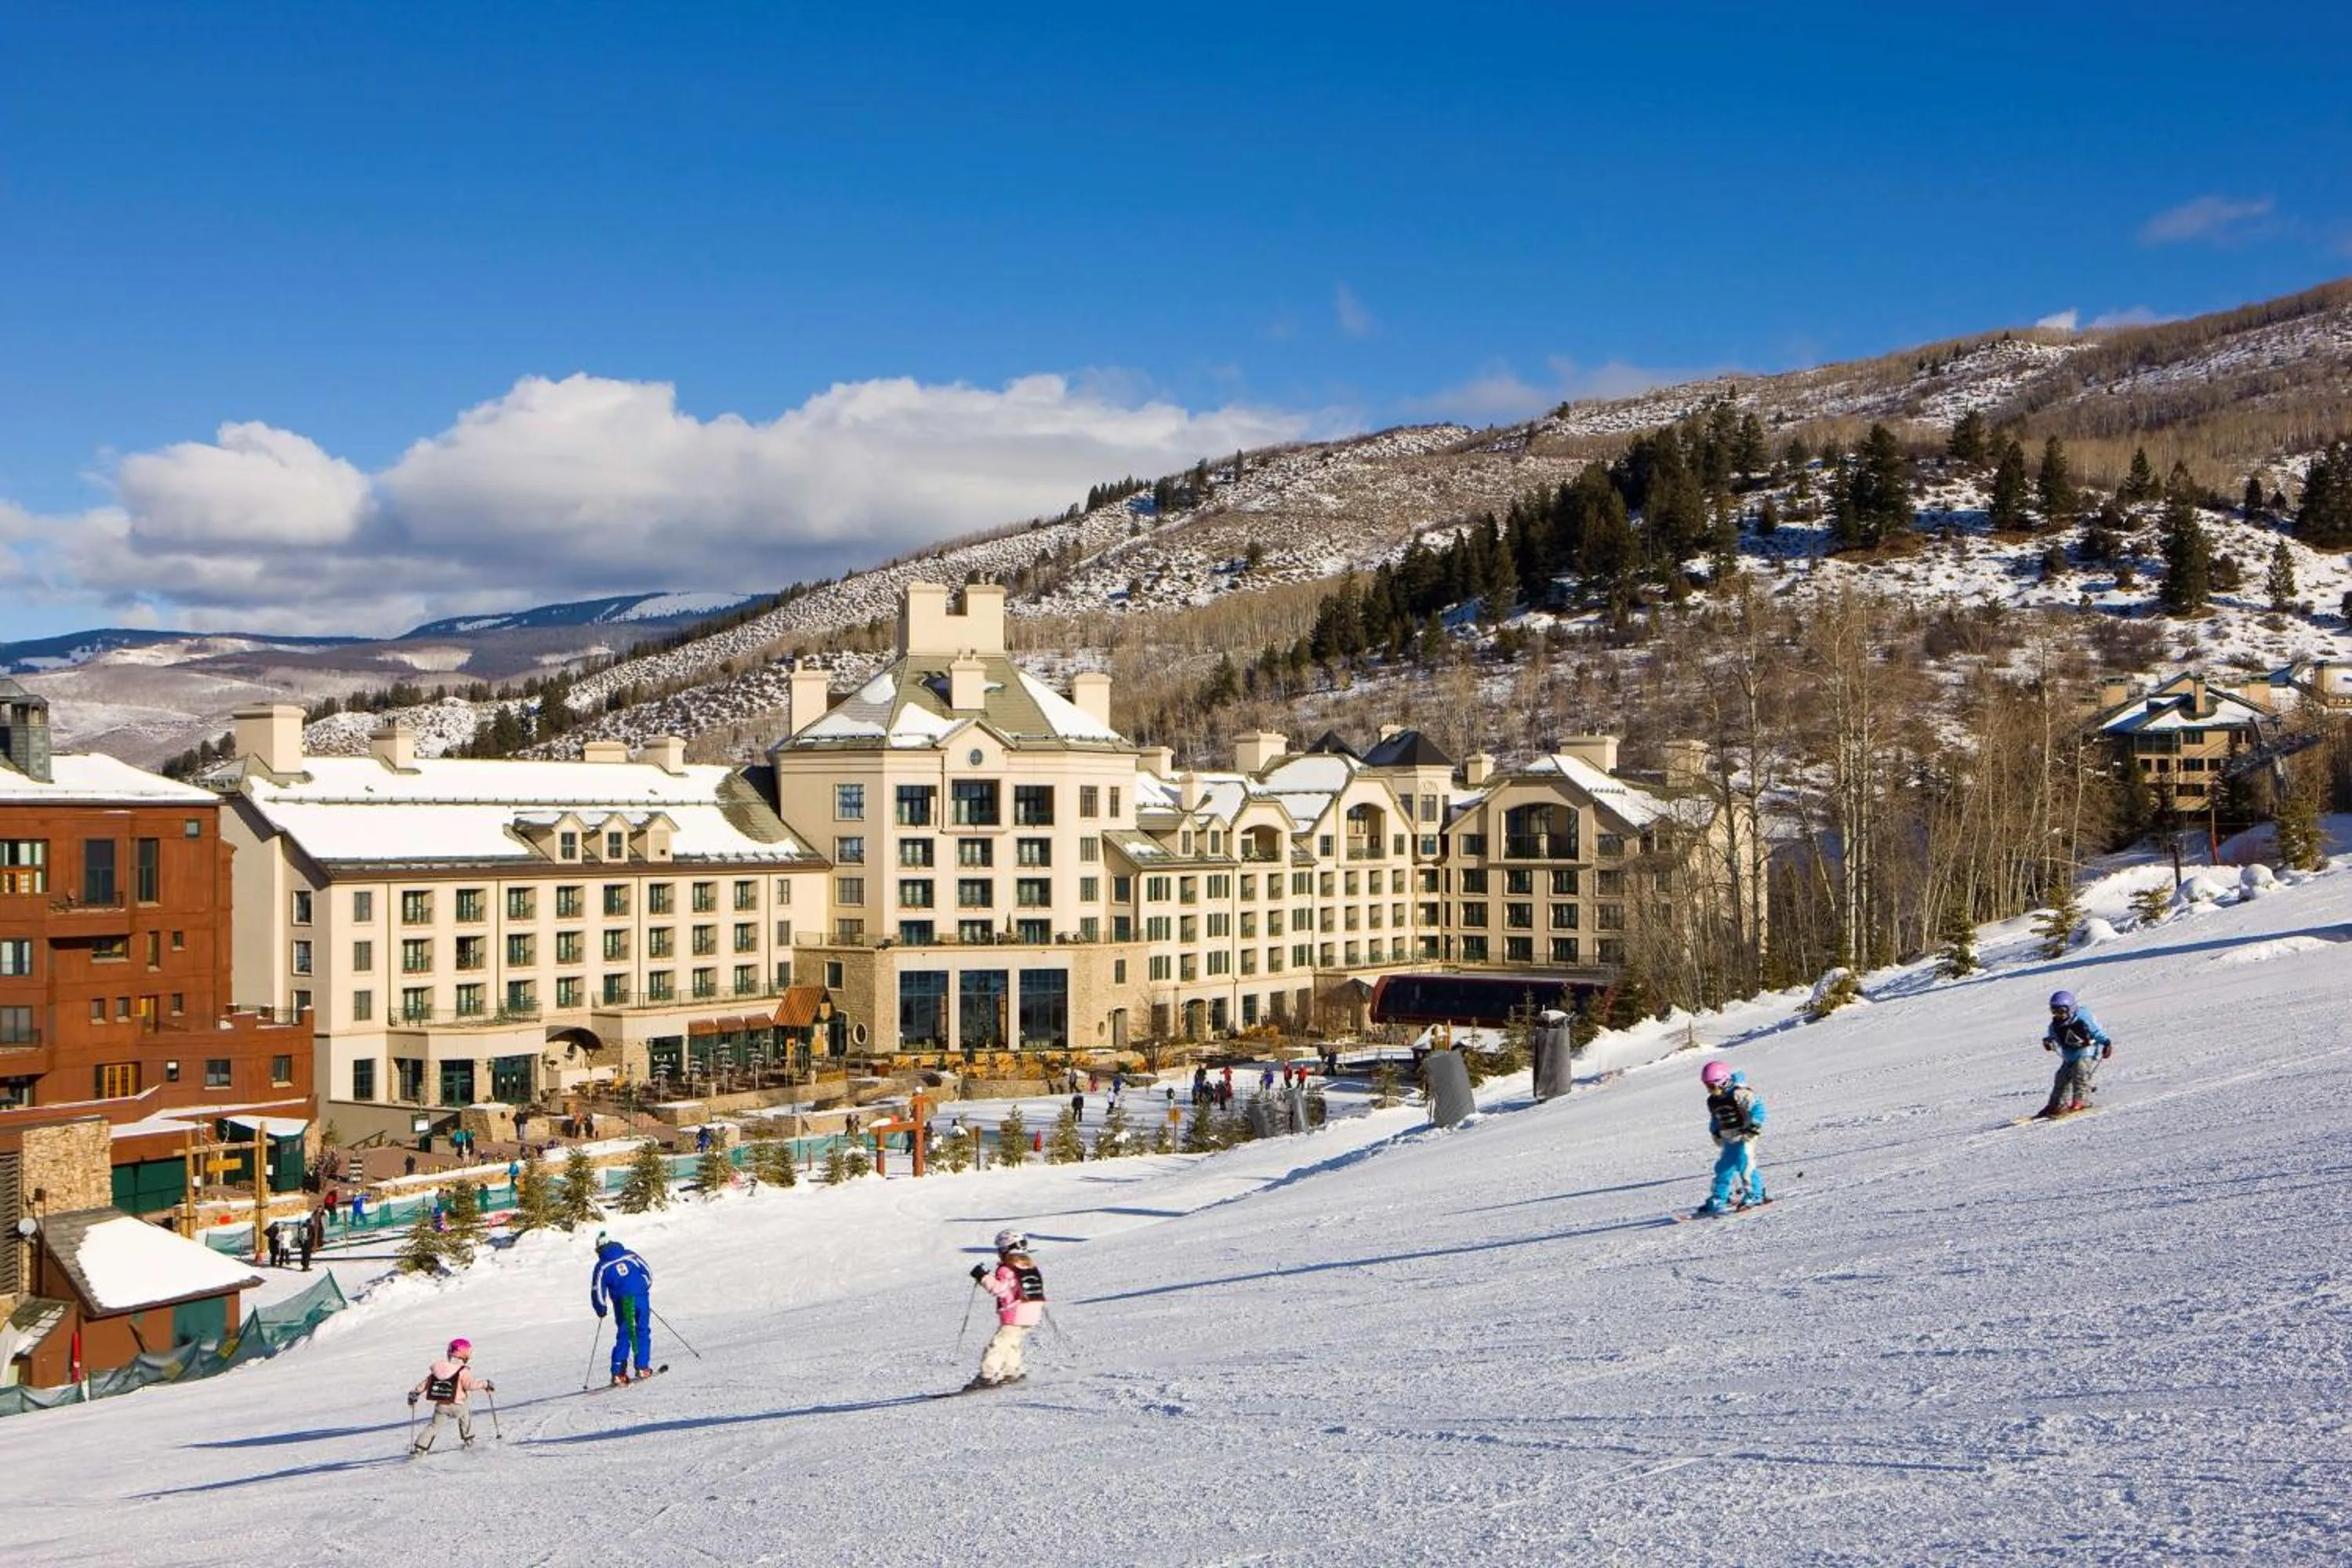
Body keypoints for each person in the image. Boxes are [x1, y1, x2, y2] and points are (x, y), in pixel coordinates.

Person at [966, 1228, 1046, 1389]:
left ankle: (987, 1376)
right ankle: (1012, 1371)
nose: (999, 1253)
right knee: (1012, 1343)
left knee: (999, 1344)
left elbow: (999, 1289)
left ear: (1009, 1248)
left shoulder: (1007, 1268)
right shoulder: (1029, 1266)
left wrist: (982, 1276)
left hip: (1016, 1313)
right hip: (1032, 1312)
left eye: (1001, 1249)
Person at [1694, 1062, 1767, 1218]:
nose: (1710, 1091)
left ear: (1724, 1082)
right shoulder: (1713, 1100)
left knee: (1745, 1165)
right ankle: (1720, 1197)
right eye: (1707, 1087)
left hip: (1745, 1135)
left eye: (1713, 1086)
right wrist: (1715, 1131)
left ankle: (1755, 1195)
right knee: (1723, 1168)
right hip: (1729, 1138)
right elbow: (1716, 1118)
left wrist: (1754, 1125)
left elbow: (1758, 1108)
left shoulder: (1740, 1094)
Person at [408, 1338, 493, 1454]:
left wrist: (416, 1392)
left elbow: (426, 1383)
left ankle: (420, 1447)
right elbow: (470, 1385)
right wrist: (485, 1384)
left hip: (441, 1406)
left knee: (434, 1426)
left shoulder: (438, 1370)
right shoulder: (462, 1370)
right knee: (465, 1417)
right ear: (464, 1355)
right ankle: (468, 1439)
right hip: (459, 1405)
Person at [590, 1234, 656, 1385]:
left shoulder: (602, 1266)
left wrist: (601, 1308)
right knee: (642, 1331)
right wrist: (641, 1287)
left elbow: (597, 1290)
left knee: (625, 1334)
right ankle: (642, 1367)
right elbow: (648, 1272)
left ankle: (619, 1373)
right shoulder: (629, 1254)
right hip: (641, 1298)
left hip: (623, 1302)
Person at [2038, 990, 2113, 1118]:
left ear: (2070, 1008)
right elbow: (2053, 1036)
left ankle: (2081, 1101)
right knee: (2061, 1077)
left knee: (2080, 1072)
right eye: (2054, 1011)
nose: (2058, 1015)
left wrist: (2106, 1043)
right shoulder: (2055, 1025)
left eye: (2061, 1011)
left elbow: (2095, 1031)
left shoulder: (2082, 1017)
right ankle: (2057, 1104)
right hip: (2069, 1055)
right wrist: (2048, 1042)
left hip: (2086, 1051)